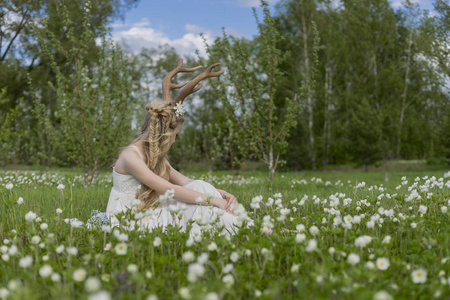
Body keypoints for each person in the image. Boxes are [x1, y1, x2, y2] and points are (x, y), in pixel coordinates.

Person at [105, 59, 251, 235]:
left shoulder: (156, 157)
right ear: (165, 135)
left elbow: (187, 183)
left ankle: (242, 225)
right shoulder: (131, 157)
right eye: (175, 136)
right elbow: (168, 189)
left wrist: (221, 194)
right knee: (202, 202)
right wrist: (213, 200)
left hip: (151, 207)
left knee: (199, 186)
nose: (174, 141)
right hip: (134, 217)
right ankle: (244, 228)